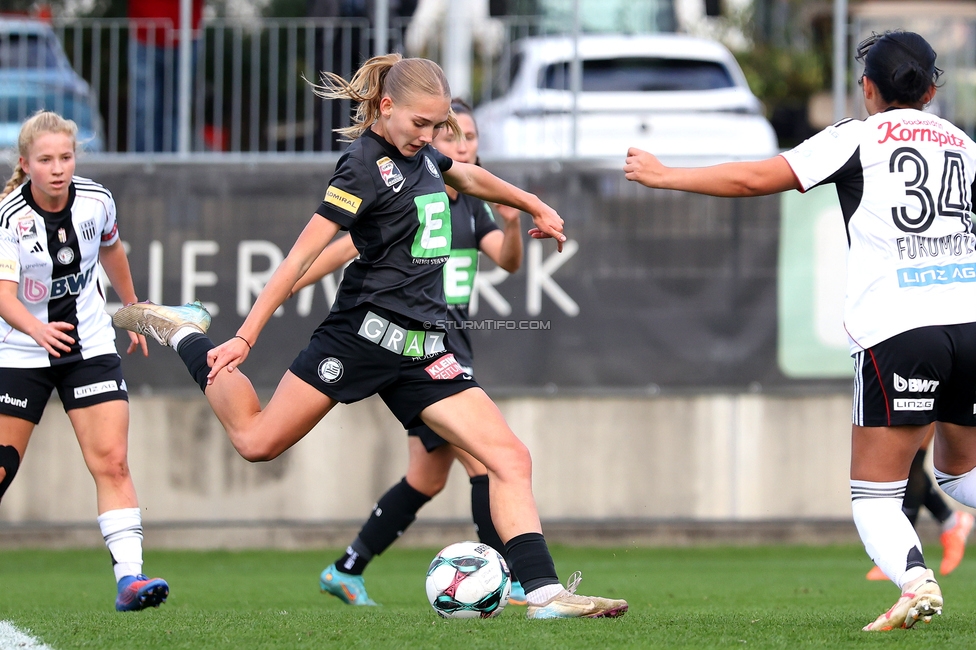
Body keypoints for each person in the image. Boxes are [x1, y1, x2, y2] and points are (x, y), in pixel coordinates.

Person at [114, 53, 628, 619]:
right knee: (255, 442)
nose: (432, 138)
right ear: (387, 107)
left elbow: (471, 176)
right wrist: (246, 337)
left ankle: (544, 594)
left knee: (510, 458)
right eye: (421, 125)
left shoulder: (426, 156)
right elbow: (298, 259)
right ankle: (185, 333)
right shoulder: (361, 166)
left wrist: (533, 203)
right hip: (358, 339)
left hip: (423, 350)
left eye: (440, 128)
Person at [623, 30, 976, 631]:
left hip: (898, 329)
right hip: (968, 322)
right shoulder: (964, 145)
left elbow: (754, 179)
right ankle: (918, 576)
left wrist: (663, 175)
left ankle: (917, 583)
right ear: (933, 88)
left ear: (868, 88)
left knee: (874, 496)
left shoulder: (857, 137)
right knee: (957, 472)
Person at [292, 98, 528, 606]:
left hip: (447, 351)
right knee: (486, 464)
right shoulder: (405, 195)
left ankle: (346, 567)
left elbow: (508, 263)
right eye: (451, 136)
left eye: (469, 137)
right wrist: (287, 283)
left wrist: (513, 224)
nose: (462, 145)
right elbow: (342, 246)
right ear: (429, 144)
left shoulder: (469, 206)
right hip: (420, 356)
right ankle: (509, 580)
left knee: (426, 478)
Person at [0, 111, 168, 612]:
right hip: (22, 350)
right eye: (46, 159)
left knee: (112, 461)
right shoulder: (11, 218)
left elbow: (112, 250)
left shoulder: (96, 201)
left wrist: (133, 308)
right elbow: (5, 296)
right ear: (25, 163)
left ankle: (130, 580)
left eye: (66, 157)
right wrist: (37, 328)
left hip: (89, 346)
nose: (58, 168)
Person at [866, 427, 974, 580]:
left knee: (911, 459)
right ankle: (952, 520)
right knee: (900, 458)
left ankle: (900, 553)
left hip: (930, 404)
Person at [128, 0, 205, 152]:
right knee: (144, 109)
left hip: (187, 35)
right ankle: (144, 166)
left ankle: (174, 166)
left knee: (179, 108)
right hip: (144, 34)